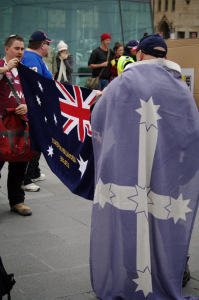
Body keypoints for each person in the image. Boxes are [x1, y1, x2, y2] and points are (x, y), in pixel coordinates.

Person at [90, 34, 199, 299]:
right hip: (168, 167)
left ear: (140, 54)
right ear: (163, 55)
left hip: (128, 164)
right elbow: (192, 132)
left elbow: (98, 118)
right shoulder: (179, 86)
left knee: (131, 218)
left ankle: (132, 271)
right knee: (166, 217)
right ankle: (174, 268)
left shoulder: (123, 82)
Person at [0, 34, 32, 216]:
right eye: (16, 48)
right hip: (1, 126)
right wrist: (5, 69)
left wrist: (27, 106)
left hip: (20, 127)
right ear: (6, 48)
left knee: (19, 166)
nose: (20, 52)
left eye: (22, 49)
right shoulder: (2, 65)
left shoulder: (25, 70)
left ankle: (17, 201)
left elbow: (35, 96)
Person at [21, 30, 53, 192]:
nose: (48, 47)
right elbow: (33, 87)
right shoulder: (31, 59)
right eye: (47, 44)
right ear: (42, 45)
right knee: (36, 141)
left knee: (38, 141)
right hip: (34, 109)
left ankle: (34, 172)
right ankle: (26, 179)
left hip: (36, 108)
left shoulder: (35, 58)